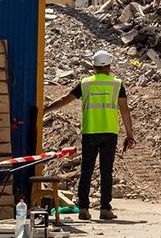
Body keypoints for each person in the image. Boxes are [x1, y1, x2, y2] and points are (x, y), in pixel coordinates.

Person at [45, 49, 135, 220]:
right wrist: (130, 135)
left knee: (86, 170)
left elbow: (65, 99)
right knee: (106, 170)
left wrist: (46, 109)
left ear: (93, 67)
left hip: (90, 132)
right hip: (109, 132)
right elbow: (124, 111)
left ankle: (84, 209)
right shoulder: (117, 84)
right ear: (109, 66)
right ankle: (105, 209)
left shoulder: (85, 83)